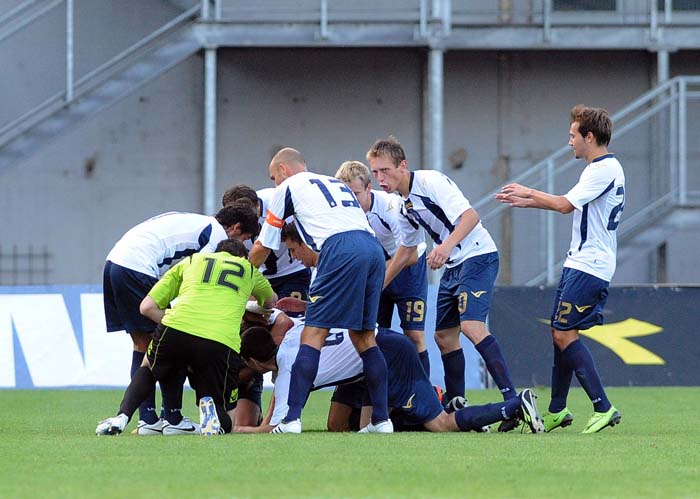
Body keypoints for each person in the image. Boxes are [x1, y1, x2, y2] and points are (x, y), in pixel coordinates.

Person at [366, 136, 520, 432]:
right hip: (452, 265)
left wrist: (446, 246)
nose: (380, 178)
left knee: (472, 326)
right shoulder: (402, 206)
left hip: (478, 256)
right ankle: (456, 401)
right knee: (443, 337)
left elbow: (470, 216)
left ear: (403, 165)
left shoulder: (431, 181)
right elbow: (406, 252)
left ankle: (511, 399)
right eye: (375, 173)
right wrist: (376, 288)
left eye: (384, 170)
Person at [495, 105, 624, 434]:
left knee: (564, 332)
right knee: (559, 333)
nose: (569, 142)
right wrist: (530, 201)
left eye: (572, 136)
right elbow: (568, 207)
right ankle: (556, 409)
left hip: (590, 265)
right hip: (580, 261)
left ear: (589, 137)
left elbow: (565, 204)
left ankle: (603, 407)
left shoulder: (602, 170)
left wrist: (528, 191)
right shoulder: (602, 168)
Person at [248, 147, 391, 433]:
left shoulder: (287, 187)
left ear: (284, 170)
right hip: (373, 250)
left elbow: (264, 245)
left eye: (274, 177)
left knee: (312, 334)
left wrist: (243, 280)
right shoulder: (335, 182)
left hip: (339, 249)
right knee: (364, 336)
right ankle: (381, 420)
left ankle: (290, 420)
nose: (274, 183)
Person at [236, 311, 544, 435]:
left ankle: (515, 405)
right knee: (338, 425)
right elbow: (279, 314)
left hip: (388, 355)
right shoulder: (292, 335)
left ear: (257, 363)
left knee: (439, 425)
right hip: (370, 354)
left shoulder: (289, 371)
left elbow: (270, 430)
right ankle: (441, 405)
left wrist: (236, 430)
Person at [102, 205, 259, 434]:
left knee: (144, 345)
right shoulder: (216, 237)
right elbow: (203, 283)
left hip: (116, 262)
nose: (242, 245)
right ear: (235, 228)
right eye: (244, 238)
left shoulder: (198, 223)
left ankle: (148, 420)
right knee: (177, 336)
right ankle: (171, 418)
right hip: (140, 268)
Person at [222, 184, 312, 426]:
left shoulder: (278, 202)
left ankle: (282, 413)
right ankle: (252, 396)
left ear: (256, 207)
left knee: (283, 338)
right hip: (257, 279)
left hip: (292, 276)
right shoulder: (231, 226)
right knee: (248, 336)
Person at [335, 161, 430, 376]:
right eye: (345, 194)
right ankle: (380, 394)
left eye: (356, 193)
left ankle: (426, 396)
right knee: (371, 335)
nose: (351, 200)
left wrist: (378, 282)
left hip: (408, 271)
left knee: (414, 335)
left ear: (369, 188)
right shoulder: (343, 212)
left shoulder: (390, 207)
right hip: (377, 270)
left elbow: (411, 255)